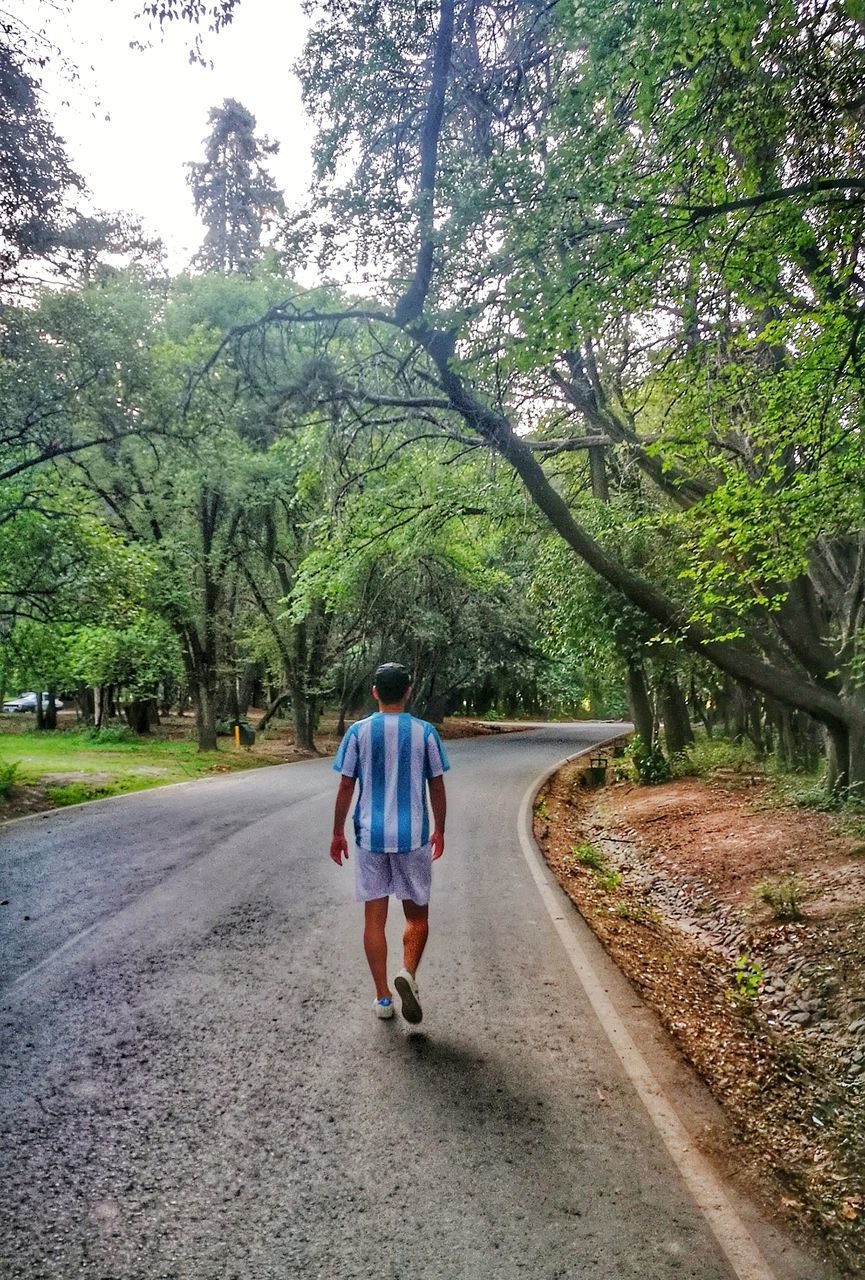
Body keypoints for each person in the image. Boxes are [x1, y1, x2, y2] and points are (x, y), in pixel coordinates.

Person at [330, 662, 449, 1024]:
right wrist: (439, 829)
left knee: (374, 920)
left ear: (375, 692)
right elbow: (437, 786)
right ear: (408, 692)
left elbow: (346, 786)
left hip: (370, 838)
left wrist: (337, 832)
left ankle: (383, 998)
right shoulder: (425, 732)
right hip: (413, 837)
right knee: (417, 917)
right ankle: (408, 973)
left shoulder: (358, 733)